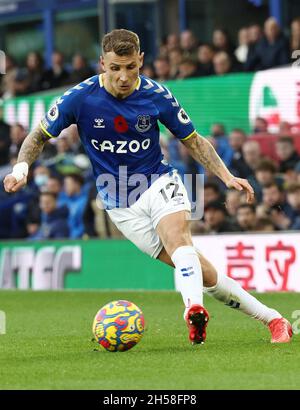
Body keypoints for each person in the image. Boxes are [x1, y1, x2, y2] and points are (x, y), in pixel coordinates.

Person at [3, 29, 292, 345]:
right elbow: (37, 136)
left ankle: (192, 308)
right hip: (119, 203)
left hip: (158, 181)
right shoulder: (80, 98)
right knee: (203, 272)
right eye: (115, 68)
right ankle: (275, 319)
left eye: (131, 67)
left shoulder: (158, 95)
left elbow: (193, 140)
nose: (123, 77)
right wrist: (21, 169)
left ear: (140, 60)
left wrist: (226, 176)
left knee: (178, 236)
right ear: (102, 64)